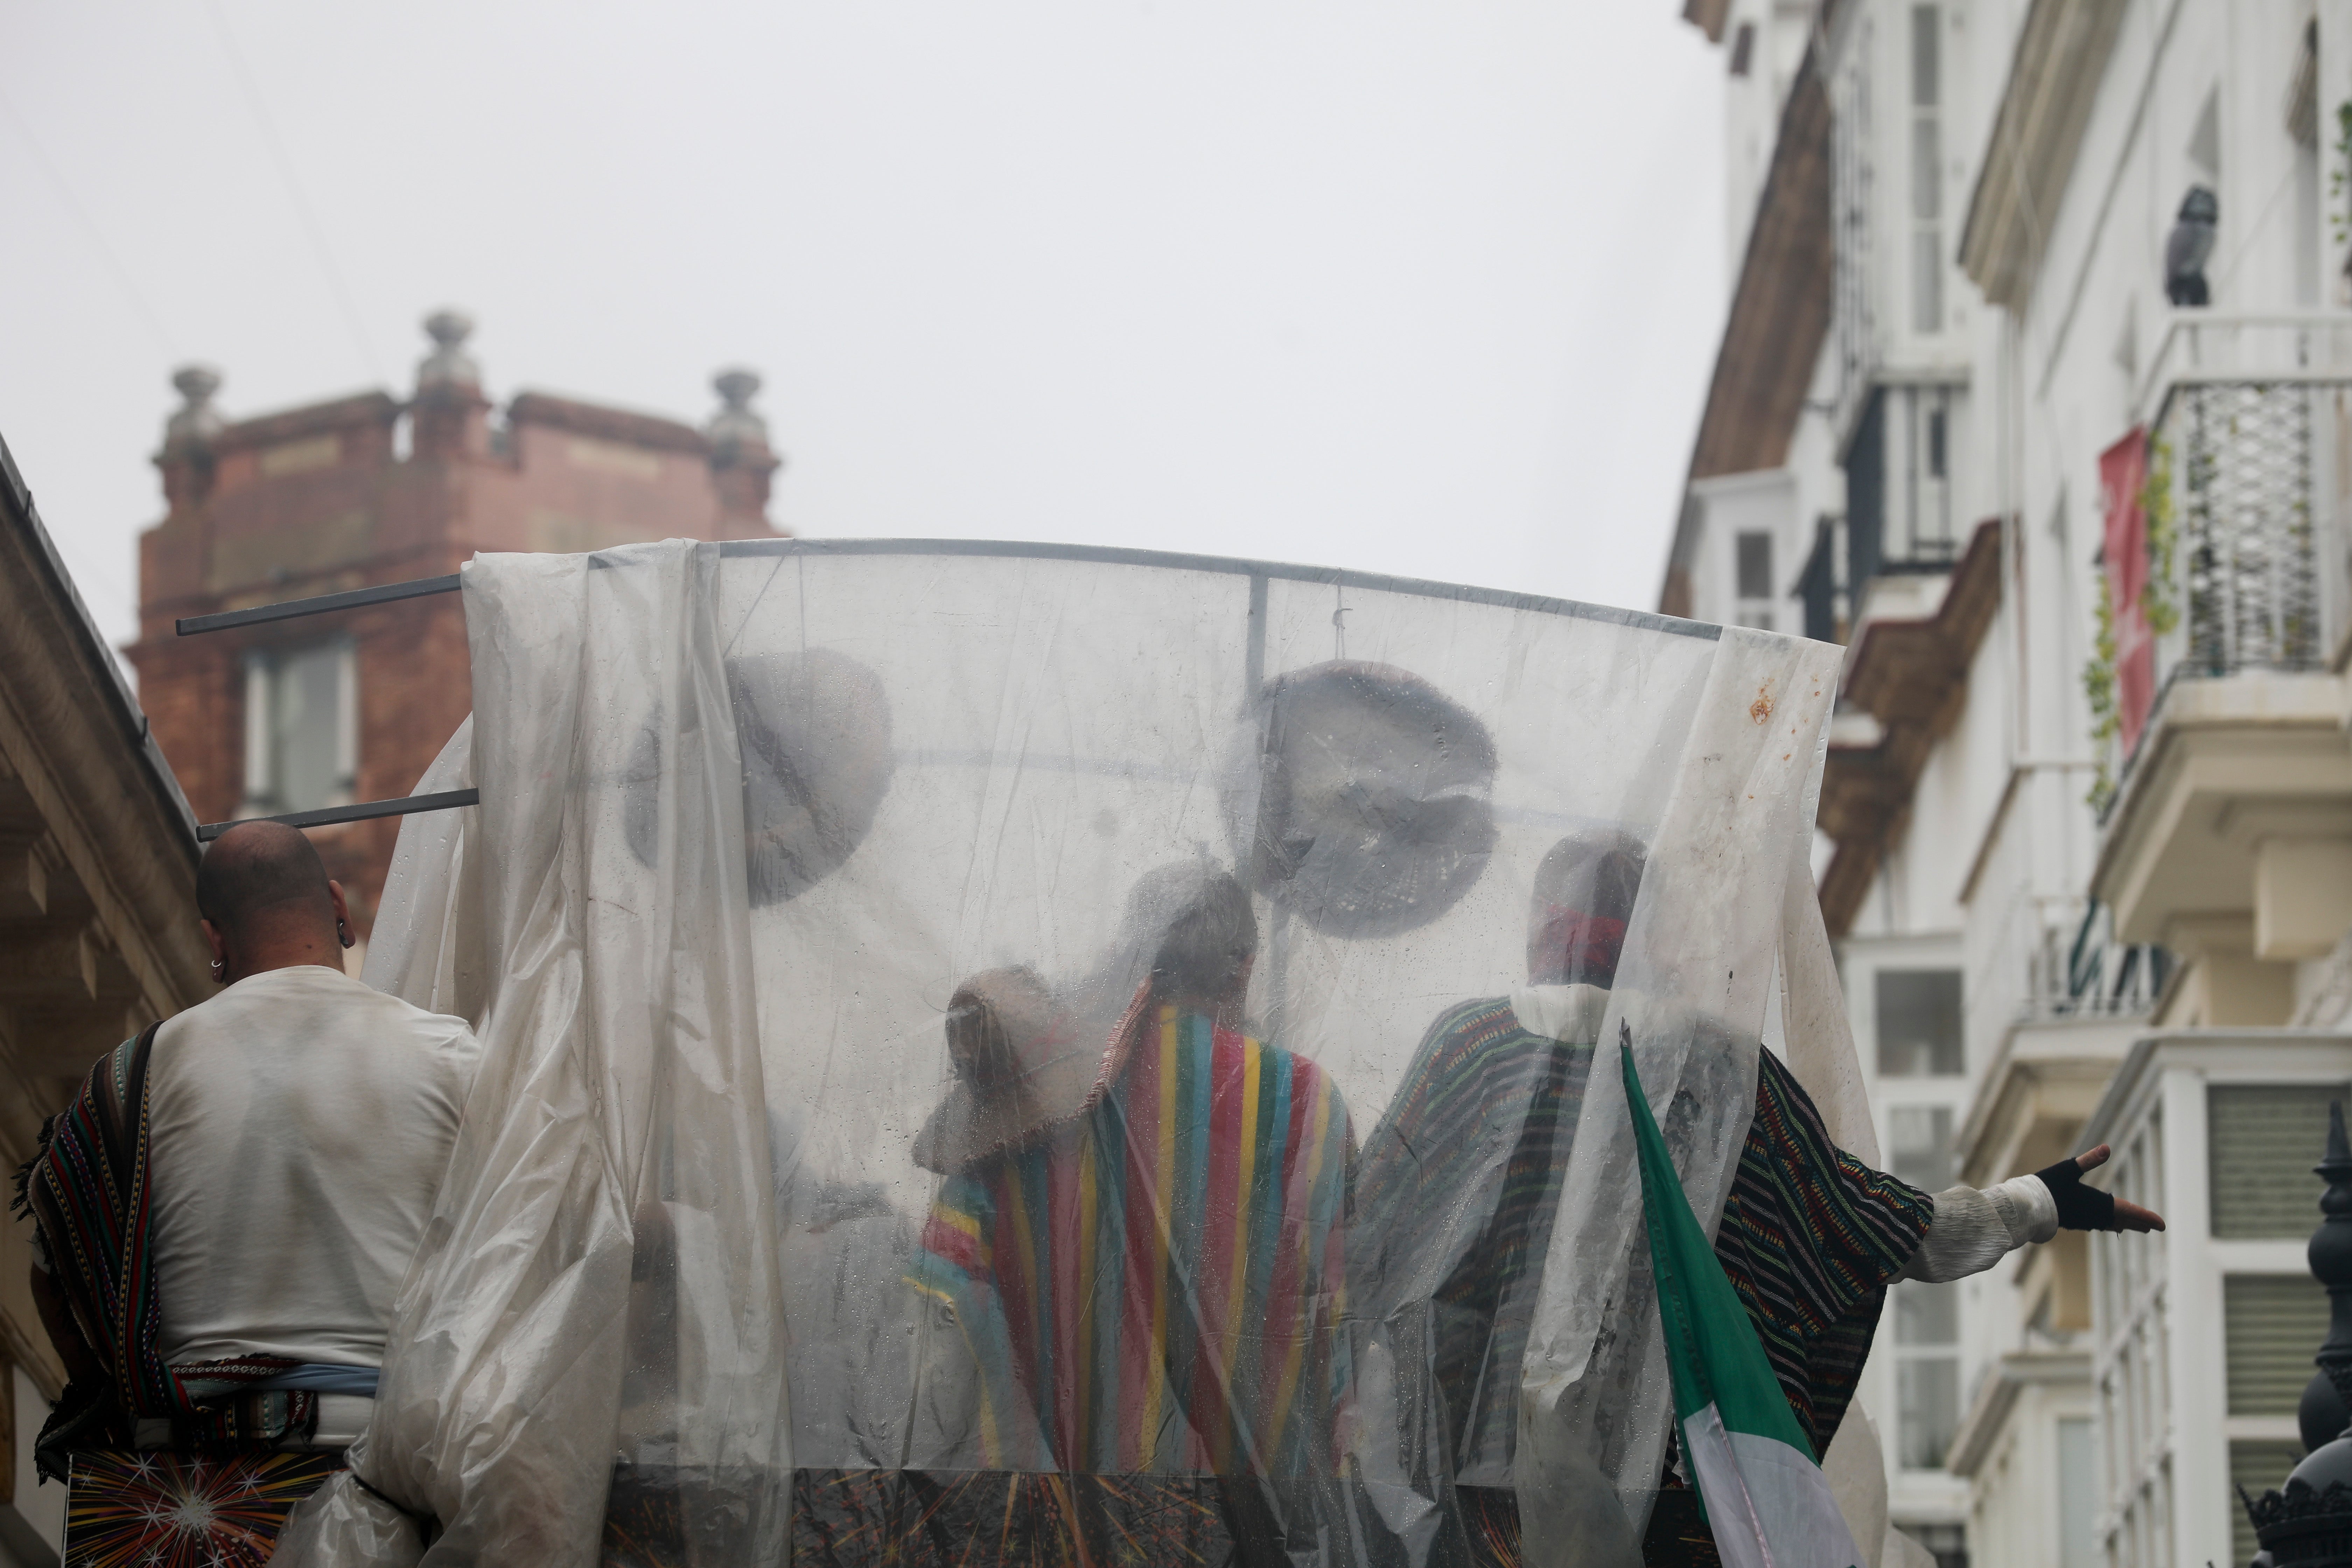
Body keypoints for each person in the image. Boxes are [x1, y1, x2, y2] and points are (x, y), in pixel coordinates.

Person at [1350, 828, 2162, 1567]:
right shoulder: (1726, 1077)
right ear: (1657, 936)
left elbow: (1364, 1248)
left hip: (1491, 1504)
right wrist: (2038, 1201)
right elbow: (1877, 1226)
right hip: (1689, 1492)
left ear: (1539, 931)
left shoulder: (1471, 1051)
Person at [897, 866, 1352, 1560]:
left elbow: (944, 1294)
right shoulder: (1305, 1098)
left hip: (1066, 1506)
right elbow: (1329, 1311)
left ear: (1138, 949)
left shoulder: (1039, 1092)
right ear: (1243, 967)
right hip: (1254, 1513)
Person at [17, 821, 482, 1481]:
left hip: (195, 1488)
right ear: (338, 905)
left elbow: (55, 1277)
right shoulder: (455, 1056)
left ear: (215, 939)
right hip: (394, 1473)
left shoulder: (131, 1079)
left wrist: (117, 1396)